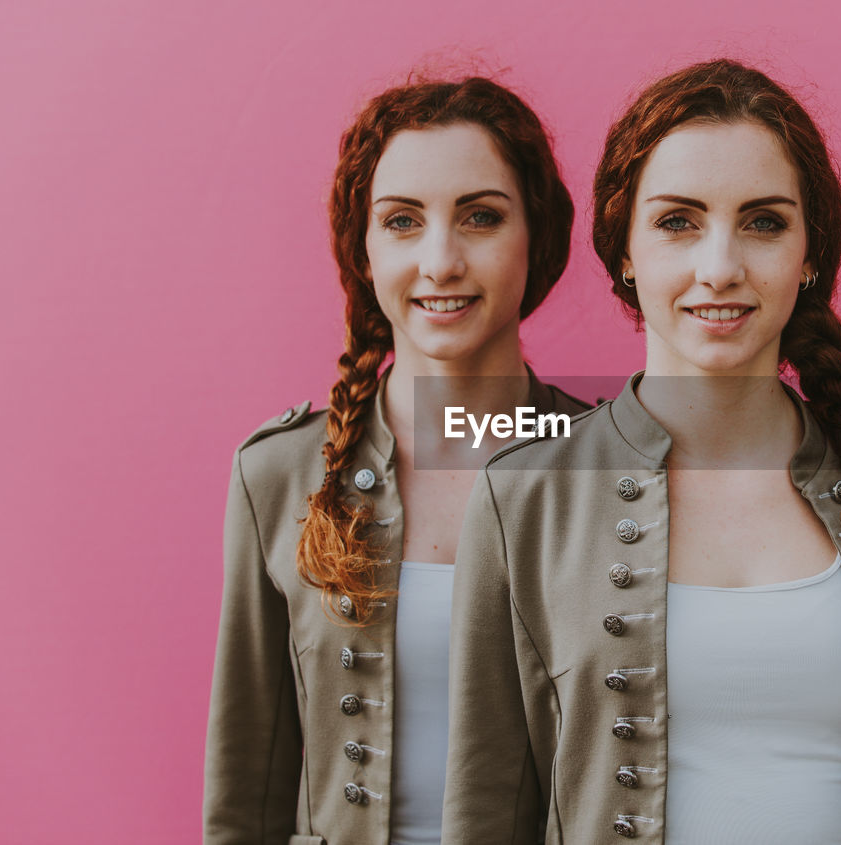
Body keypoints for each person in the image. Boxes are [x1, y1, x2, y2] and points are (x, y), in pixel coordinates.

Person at [443, 59, 841, 844]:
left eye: (764, 221)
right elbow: (485, 813)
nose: (721, 267)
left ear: (810, 255)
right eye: (678, 221)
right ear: (624, 251)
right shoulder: (522, 498)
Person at [203, 76, 589, 845]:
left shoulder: (610, 469)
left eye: (481, 217)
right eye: (403, 221)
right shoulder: (278, 476)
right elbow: (246, 795)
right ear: (364, 248)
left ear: (537, 236)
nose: (441, 260)